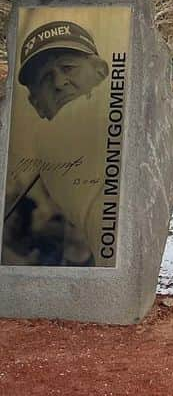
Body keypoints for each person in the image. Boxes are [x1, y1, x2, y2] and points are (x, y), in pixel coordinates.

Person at [2, 19, 110, 266]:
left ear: (101, 71)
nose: (60, 82)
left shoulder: (131, 138)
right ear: (37, 104)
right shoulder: (21, 188)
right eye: (46, 79)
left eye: (69, 67)